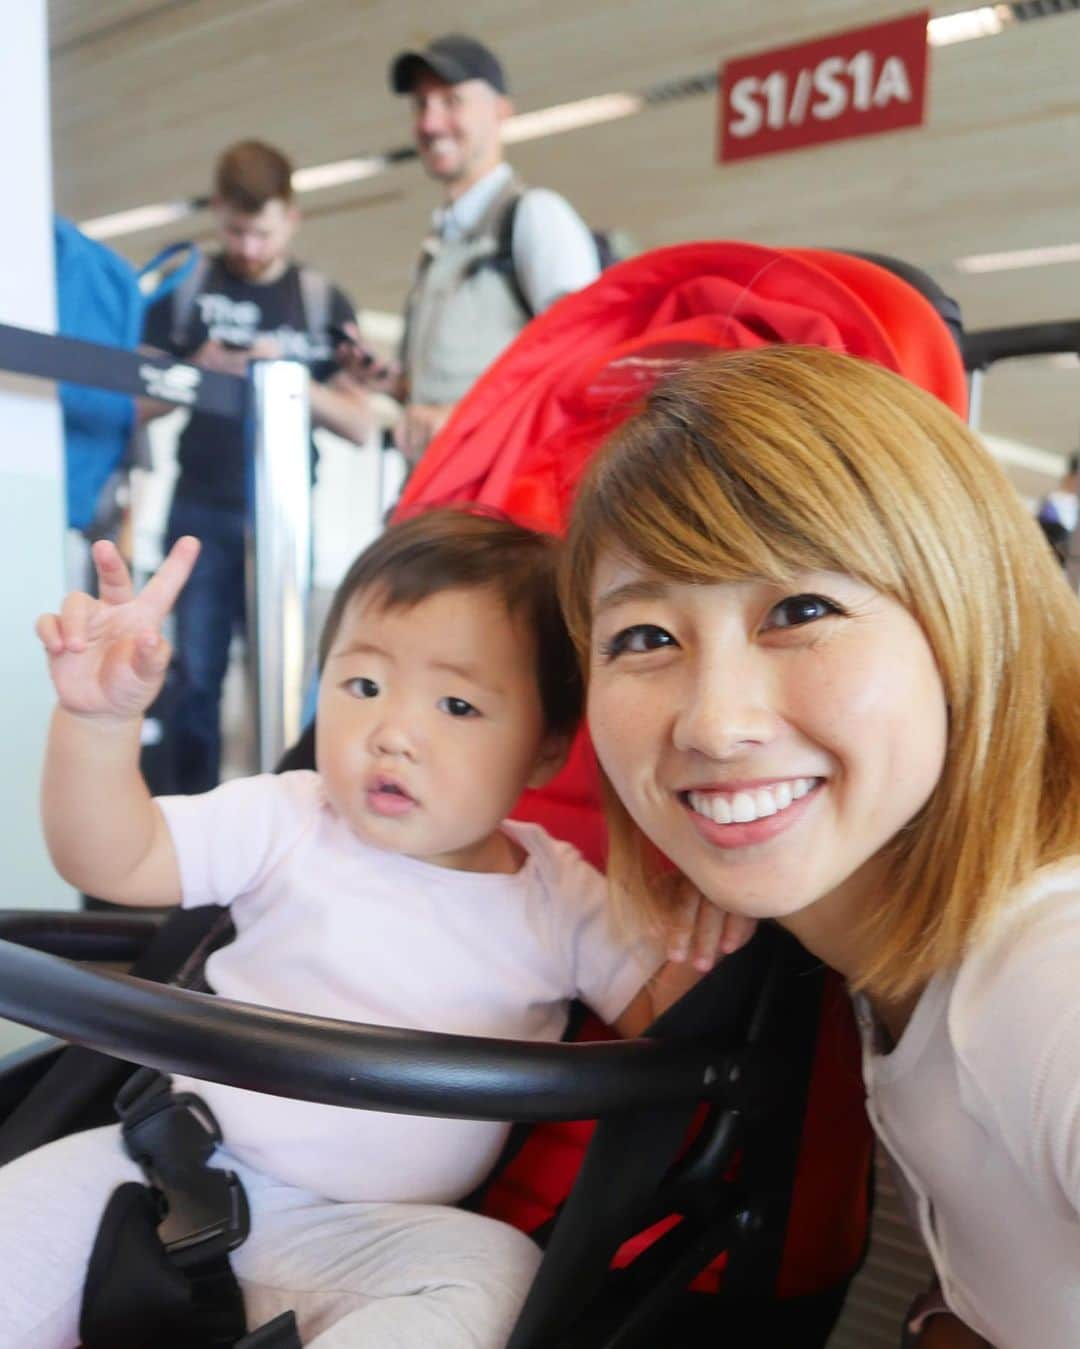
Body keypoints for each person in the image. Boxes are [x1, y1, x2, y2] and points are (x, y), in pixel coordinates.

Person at [10, 509, 735, 1349]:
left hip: (373, 1235)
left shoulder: (561, 897)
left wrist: (708, 902)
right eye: (362, 686)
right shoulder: (288, 816)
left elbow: (677, 1027)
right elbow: (116, 859)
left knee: (492, 1273)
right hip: (163, 1165)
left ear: (544, 752)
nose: (393, 733)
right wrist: (99, 725)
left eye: (458, 704)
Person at [559, 344, 1080, 1349]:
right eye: (644, 637)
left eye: (801, 609)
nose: (714, 723)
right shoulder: (890, 958)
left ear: (968, 620)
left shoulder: (1045, 975)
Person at [141, 139, 372, 795]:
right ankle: (187, 827)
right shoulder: (186, 290)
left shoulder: (323, 302)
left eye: (262, 231)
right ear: (217, 213)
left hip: (287, 514)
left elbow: (360, 423)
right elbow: (129, 403)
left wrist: (287, 377)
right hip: (199, 509)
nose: (248, 247)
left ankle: (284, 812)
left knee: (288, 674)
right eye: (236, 230)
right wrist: (195, 372)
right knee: (194, 678)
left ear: (292, 218)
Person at [339, 34, 601, 466]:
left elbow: (580, 367)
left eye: (452, 101)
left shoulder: (535, 216)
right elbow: (447, 387)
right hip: (437, 497)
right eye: (421, 105)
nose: (430, 123)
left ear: (501, 111)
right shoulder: (438, 245)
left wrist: (463, 419)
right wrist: (393, 384)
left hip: (502, 504)